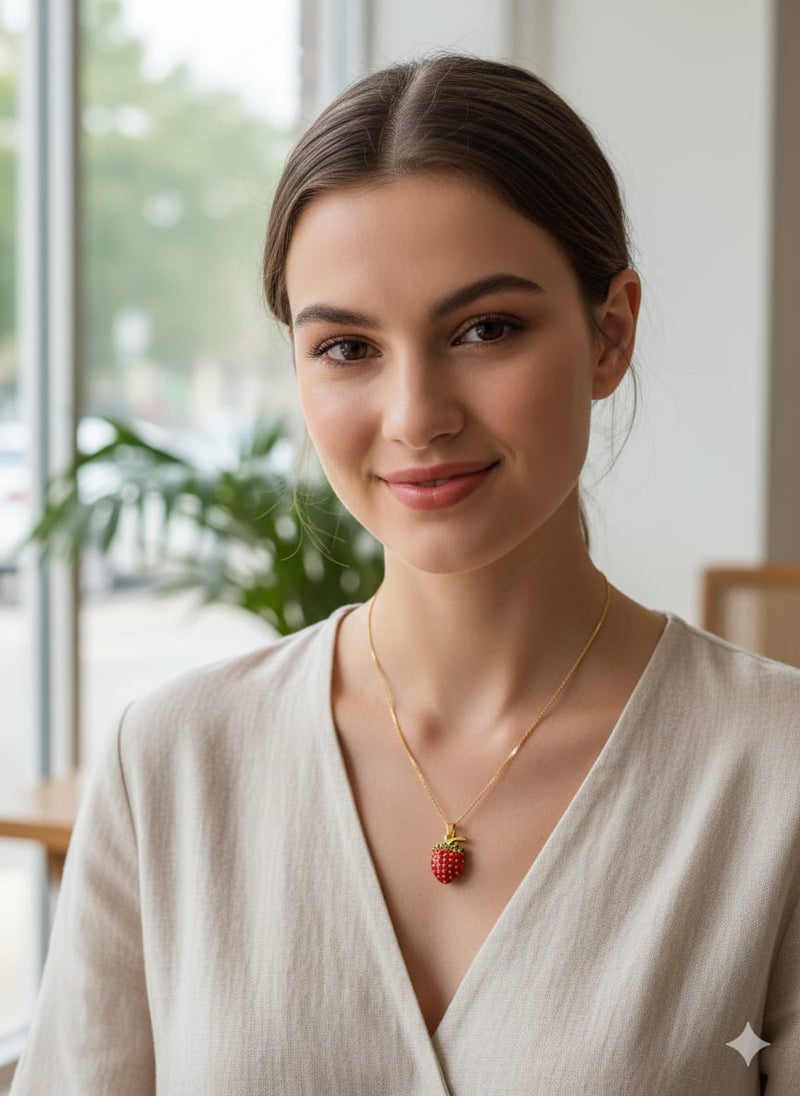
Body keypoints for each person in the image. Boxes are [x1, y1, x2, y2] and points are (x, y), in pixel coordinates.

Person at [11, 53, 800, 1096]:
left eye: (484, 329)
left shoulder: (771, 773)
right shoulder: (170, 763)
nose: (415, 415)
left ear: (608, 334)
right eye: (346, 347)